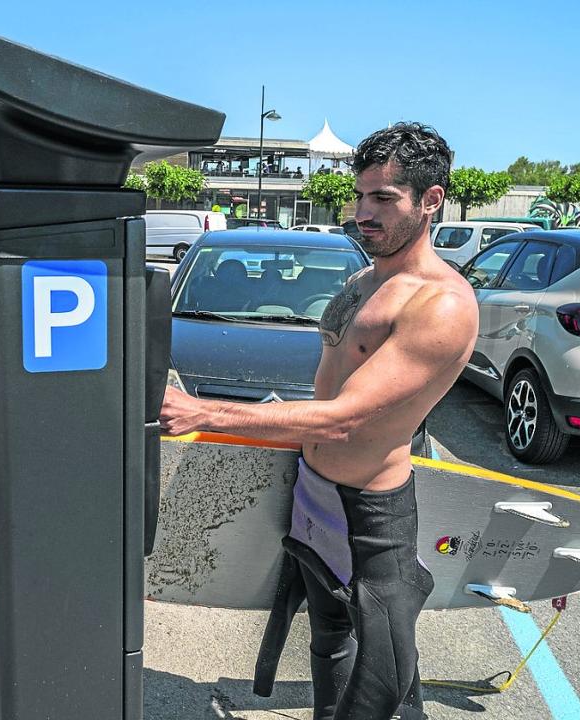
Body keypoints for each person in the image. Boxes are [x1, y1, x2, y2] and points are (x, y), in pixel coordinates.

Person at [159, 123, 479, 720]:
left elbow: (343, 421)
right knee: (328, 642)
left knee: (376, 684)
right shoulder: (361, 281)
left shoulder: (441, 304)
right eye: (360, 196)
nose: (364, 212)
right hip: (313, 494)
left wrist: (204, 412)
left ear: (431, 200)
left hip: (370, 517)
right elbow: (326, 386)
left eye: (384, 199)